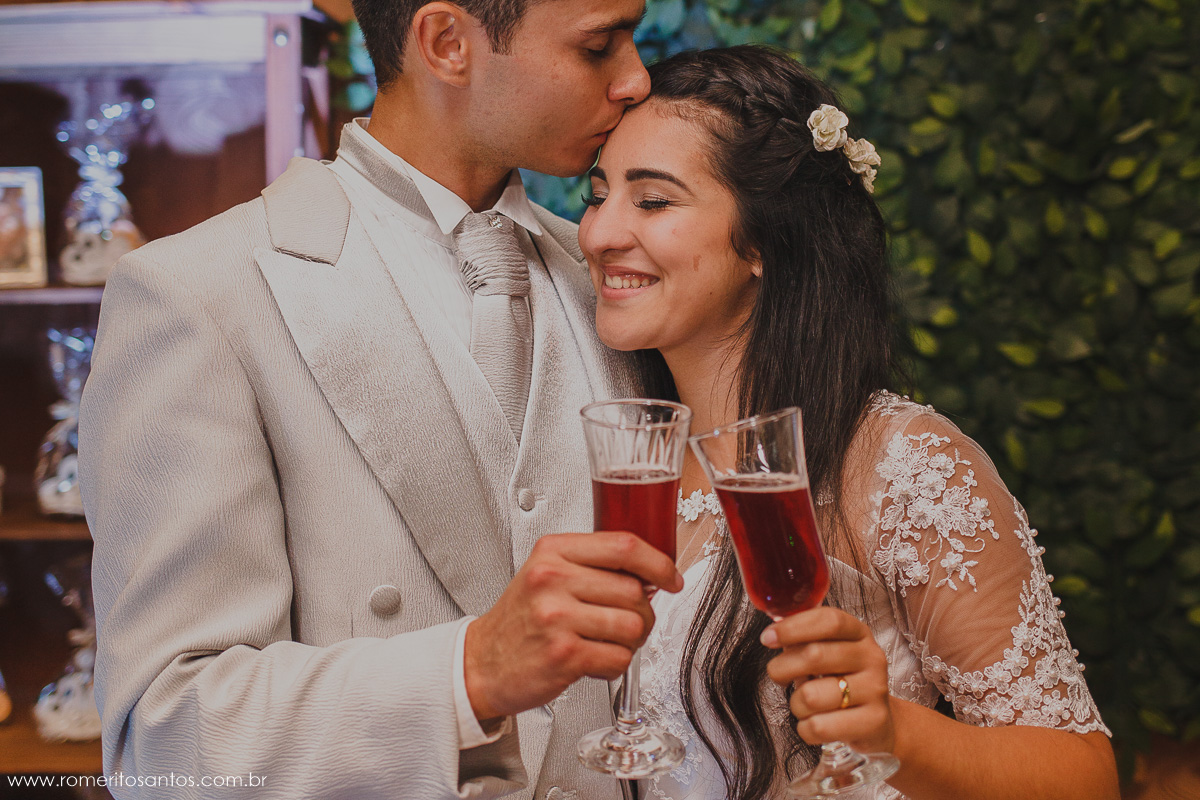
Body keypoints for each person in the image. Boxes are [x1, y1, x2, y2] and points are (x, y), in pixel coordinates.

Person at [77, 2, 685, 798]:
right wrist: (468, 672)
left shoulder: (618, 277)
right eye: (599, 45)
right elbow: (162, 747)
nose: (636, 78)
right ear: (447, 43)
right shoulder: (197, 295)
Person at [578, 45, 1120, 800]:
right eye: (595, 195)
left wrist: (892, 733)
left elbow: (1082, 780)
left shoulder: (903, 466)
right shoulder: (620, 459)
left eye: (654, 201)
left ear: (765, 240)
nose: (600, 234)